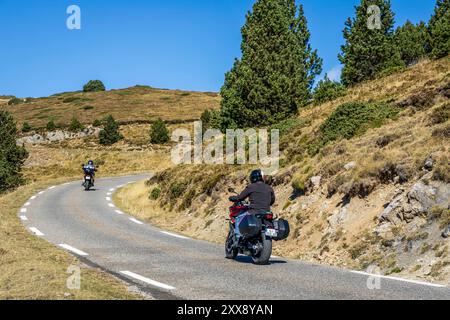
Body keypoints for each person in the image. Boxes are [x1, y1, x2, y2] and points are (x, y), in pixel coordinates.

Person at [233, 169, 275, 240]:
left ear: (252, 178)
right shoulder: (269, 188)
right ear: (261, 177)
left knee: (238, 218)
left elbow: (240, 197)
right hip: (267, 213)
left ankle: (238, 237)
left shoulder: (251, 187)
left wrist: (233, 198)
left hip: (253, 212)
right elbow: (272, 201)